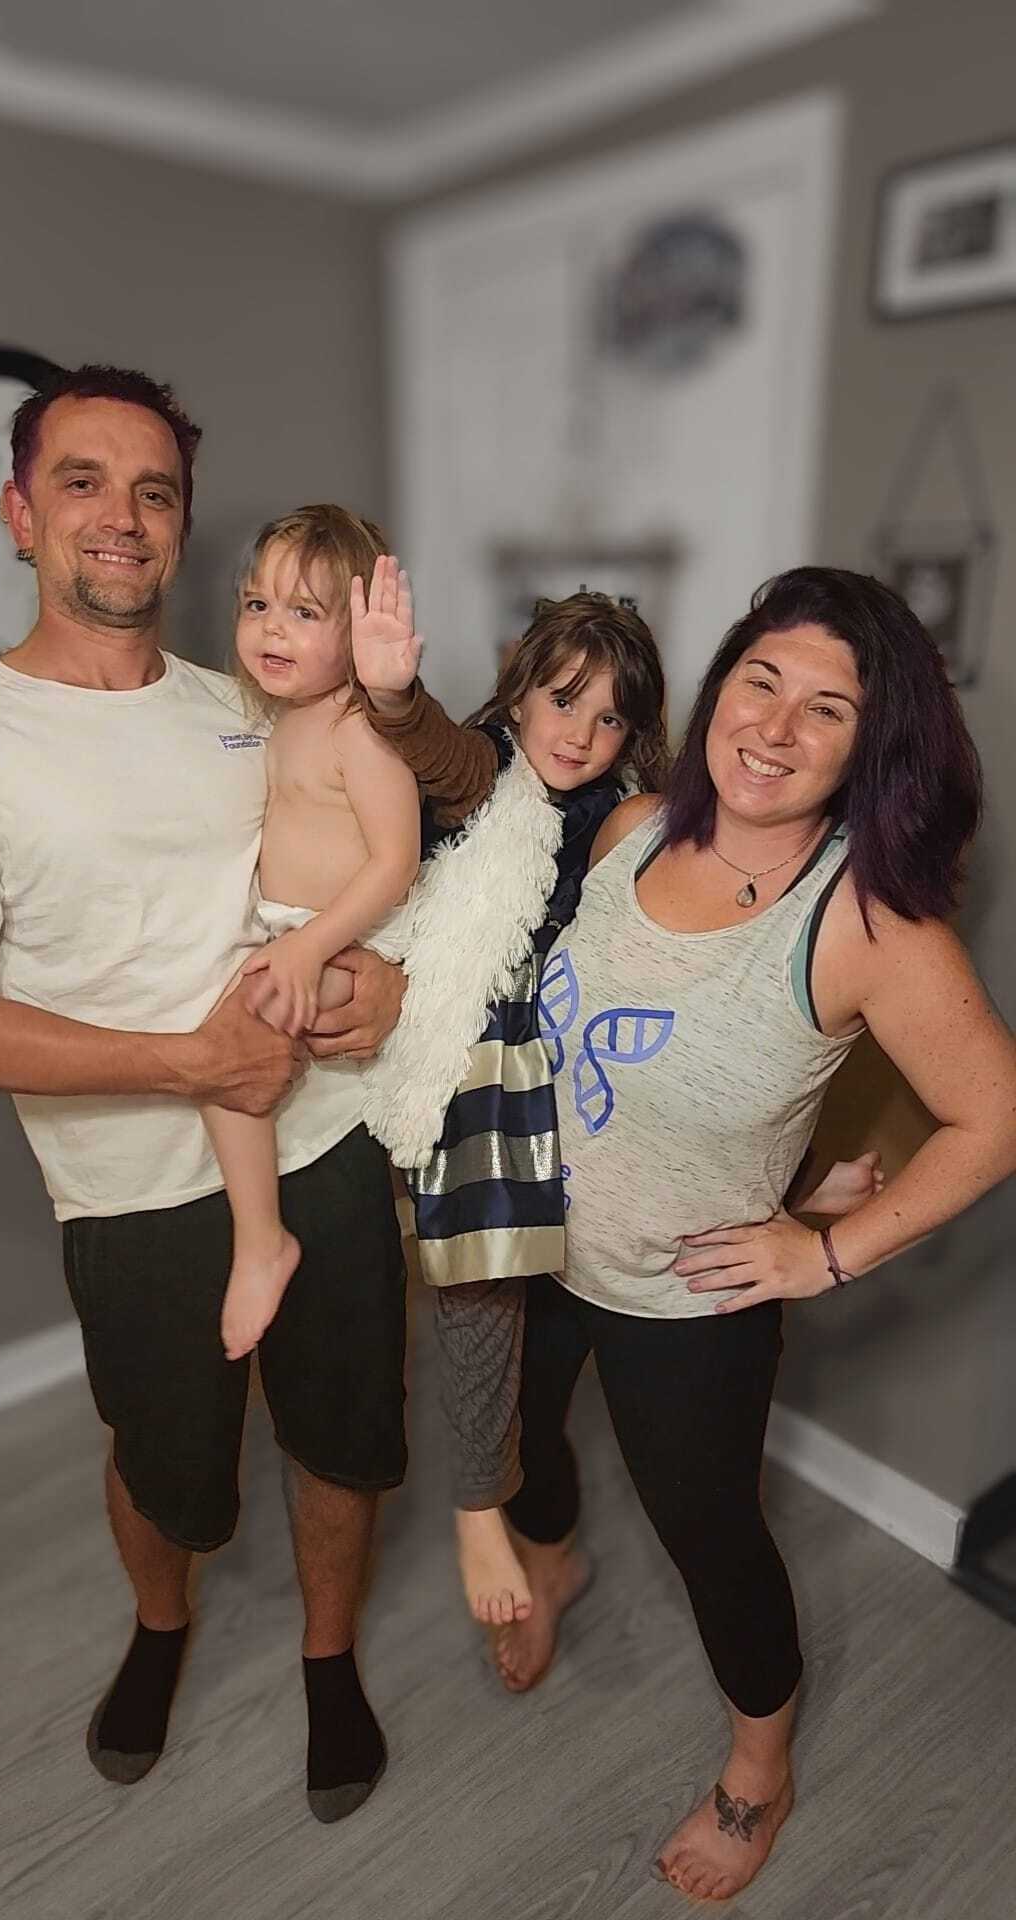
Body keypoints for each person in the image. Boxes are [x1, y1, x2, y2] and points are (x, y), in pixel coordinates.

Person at [483, 566, 1016, 1901]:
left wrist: (821, 1251)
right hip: (536, 1247)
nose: (773, 727)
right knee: (518, 1445)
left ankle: (758, 1772)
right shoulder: (630, 829)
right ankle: (554, 1564)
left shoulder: (869, 923)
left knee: (712, 1545)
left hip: (690, 1305)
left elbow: (995, 1121)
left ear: (868, 746)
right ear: (719, 686)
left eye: (825, 708)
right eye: (759, 681)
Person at [0, 365, 406, 1823]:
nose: (121, 516)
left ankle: (330, 1658)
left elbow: (370, 857)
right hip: (132, 1189)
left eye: (154, 491)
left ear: (183, 523)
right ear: (20, 514)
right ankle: (160, 1628)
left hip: (324, 1144)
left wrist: (388, 986)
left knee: (340, 1438)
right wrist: (188, 1064)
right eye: (81, 481)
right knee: (166, 1470)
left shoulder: (251, 701)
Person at [352, 581, 881, 1631]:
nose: (579, 737)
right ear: (517, 695)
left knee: (707, 1061)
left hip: (575, 1056)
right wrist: (397, 695)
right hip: (475, 1051)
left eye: (609, 721)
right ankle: (478, 1505)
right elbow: (440, 759)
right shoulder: (490, 768)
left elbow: (692, 1036)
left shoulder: (622, 819)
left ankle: (808, 1180)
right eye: (562, 703)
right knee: (480, 1275)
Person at [203, 507, 421, 1362]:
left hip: (345, 940)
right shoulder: (275, 717)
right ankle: (259, 1234)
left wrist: (306, 946)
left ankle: (262, 1241)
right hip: (293, 934)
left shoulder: (357, 728)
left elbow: (396, 861)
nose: (271, 628)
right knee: (225, 1051)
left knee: (232, 1041)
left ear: (359, 633)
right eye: (257, 605)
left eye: (303, 612)